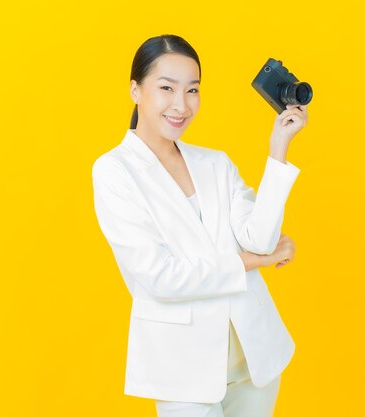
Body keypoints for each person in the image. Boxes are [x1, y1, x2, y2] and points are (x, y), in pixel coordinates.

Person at [92, 34, 308, 417]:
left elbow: (260, 238)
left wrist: (279, 149)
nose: (181, 104)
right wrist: (252, 262)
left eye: (192, 89)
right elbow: (161, 277)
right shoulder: (114, 171)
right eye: (166, 88)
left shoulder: (215, 163)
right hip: (184, 369)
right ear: (135, 90)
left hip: (253, 359)